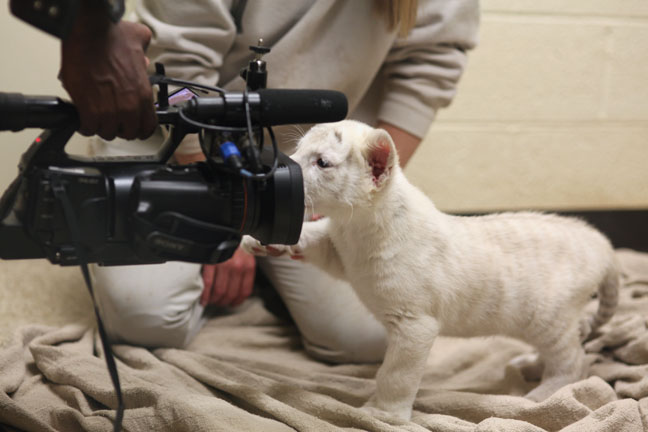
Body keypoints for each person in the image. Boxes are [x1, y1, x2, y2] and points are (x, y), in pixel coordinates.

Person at [36, 0, 480, 362]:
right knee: (143, 323)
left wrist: (354, 191)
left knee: (366, 339)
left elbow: (429, 66)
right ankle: (240, 259)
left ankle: (268, 267)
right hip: (176, 135)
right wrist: (230, 221)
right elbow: (182, 63)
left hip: (304, 163)